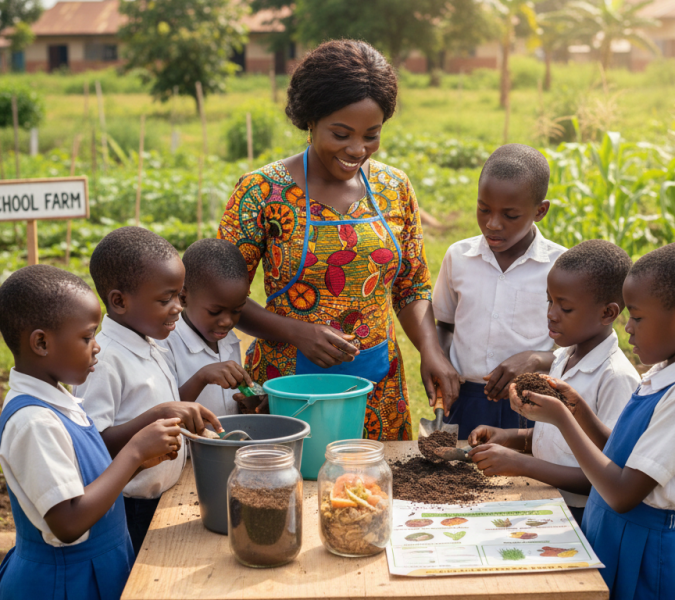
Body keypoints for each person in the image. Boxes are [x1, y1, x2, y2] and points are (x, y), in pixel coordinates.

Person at [218, 40, 459, 440]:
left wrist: (430, 349)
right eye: (341, 133)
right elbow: (219, 300)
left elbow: (411, 286)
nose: (357, 149)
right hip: (288, 391)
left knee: (370, 493)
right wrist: (296, 331)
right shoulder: (261, 192)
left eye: (372, 135)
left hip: (376, 393)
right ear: (310, 120)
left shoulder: (393, 187)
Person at [511, 241, 675, 600]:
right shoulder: (664, 374)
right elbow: (622, 450)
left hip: (651, 555)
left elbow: (623, 492)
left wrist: (564, 419)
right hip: (617, 534)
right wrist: (578, 407)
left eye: (638, 318)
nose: (628, 329)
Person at [0, 265, 182, 600]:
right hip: (63, 583)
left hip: (96, 570)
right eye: (86, 337)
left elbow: (84, 482)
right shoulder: (34, 421)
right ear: (41, 342)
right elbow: (68, 521)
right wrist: (134, 452)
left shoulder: (59, 398)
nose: (96, 347)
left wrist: (140, 462)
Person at [468, 240, 640, 525]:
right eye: (549, 300)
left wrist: (521, 464)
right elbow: (561, 441)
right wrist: (509, 438)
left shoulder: (616, 378)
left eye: (566, 308)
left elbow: (605, 478)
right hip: (545, 501)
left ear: (607, 313)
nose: (550, 313)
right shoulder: (563, 357)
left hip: (583, 516)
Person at [75, 227, 222, 556]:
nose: (177, 308)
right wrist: (158, 415)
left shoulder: (152, 342)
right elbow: (92, 446)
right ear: (119, 301)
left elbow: (160, 405)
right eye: (164, 299)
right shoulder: (104, 361)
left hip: (166, 496)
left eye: (179, 296)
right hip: (131, 509)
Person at [432, 144, 565, 439]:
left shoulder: (560, 269)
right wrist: (440, 363)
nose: (492, 224)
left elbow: (578, 347)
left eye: (510, 215)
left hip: (532, 403)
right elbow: (444, 325)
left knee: (527, 483)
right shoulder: (459, 257)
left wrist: (536, 359)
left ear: (540, 211)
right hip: (466, 401)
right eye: (483, 209)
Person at [157, 238, 254, 415]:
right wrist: (202, 377)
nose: (227, 322)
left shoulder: (227, 337)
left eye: (237, 310)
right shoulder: (165, 343)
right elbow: (161, 412)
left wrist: (246, 404)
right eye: (215, 311)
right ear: (184, 297)